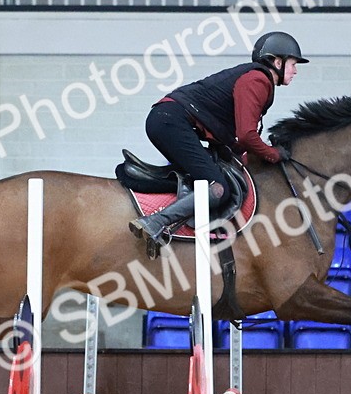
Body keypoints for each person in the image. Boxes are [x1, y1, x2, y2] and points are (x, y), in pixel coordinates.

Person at [128, 31, 308, 250]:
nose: (296, 70)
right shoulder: (258, 79)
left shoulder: (257, 79)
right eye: (293, 64)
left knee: (211, 175)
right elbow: (247, 135)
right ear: (277, 62)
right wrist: (274, 153)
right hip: (171, 122)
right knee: (218, 188)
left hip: (168, 120)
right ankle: (156, 222)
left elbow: (235, 139)